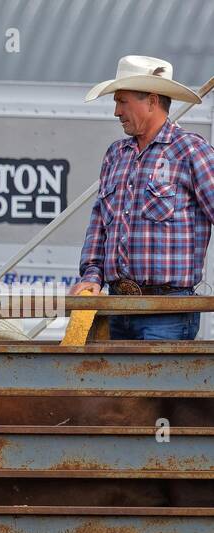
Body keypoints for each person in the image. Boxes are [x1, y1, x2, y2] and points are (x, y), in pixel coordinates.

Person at [72, 55, 214, 341]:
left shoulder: (190, 151)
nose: (116, 111)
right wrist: (90, 277)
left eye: (122, 101)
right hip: (114, 308)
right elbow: (99, 226)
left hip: (168, 311)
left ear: (151, 101)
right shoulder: (116, 154)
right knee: (109, 385)